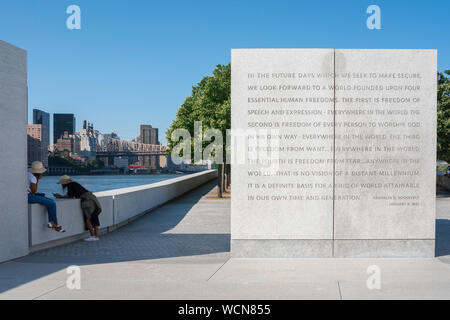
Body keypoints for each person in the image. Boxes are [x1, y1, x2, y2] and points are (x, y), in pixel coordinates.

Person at [54, 176, 102, 241]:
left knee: (88, 219)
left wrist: (60, 197)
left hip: (87, 201)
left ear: (64, 183)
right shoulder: (75, 183)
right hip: (92, 199)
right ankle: (96, 236)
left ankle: (92, 236)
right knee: (94, 217)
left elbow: (70, 196)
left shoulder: (70, 185)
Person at [27, 161, 66, 233]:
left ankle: (53, 223)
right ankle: (54, 224)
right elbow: (33, 191)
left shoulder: (28, 174)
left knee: (50, 201)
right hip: (29, 197)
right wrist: (37, 179)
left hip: (25, 195)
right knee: (52, 204)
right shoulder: (34, 178)